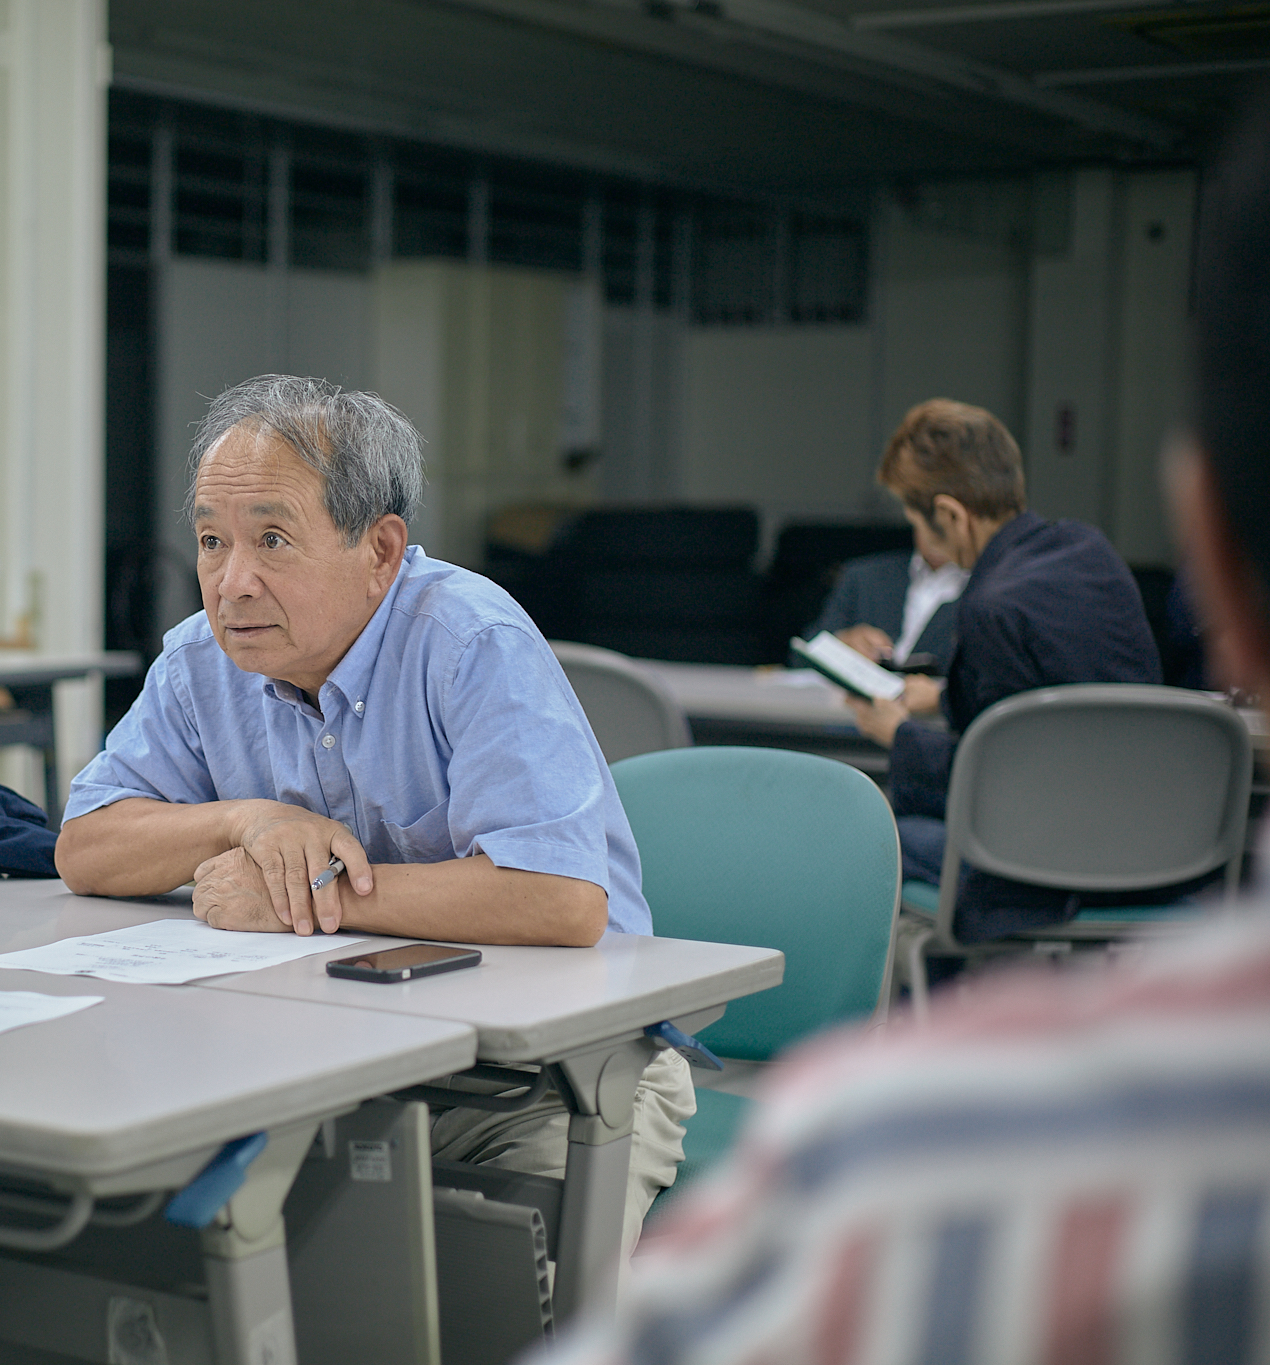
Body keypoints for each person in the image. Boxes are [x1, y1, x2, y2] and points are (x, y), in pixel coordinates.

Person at [538, 92, 1270, 1365]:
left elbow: (976, 756)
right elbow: (1031, 714)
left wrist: (894, 718)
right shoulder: (1084, 562)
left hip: (1013, 870)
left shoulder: (891, 1169)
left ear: (1208, 536)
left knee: (878, 825)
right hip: (1161, 865)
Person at [54, 374, 692, 1258]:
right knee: (160, 1254)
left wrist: (304, 893)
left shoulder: (470, 642)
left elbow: (560, 898)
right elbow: (86, 846)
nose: (230, 582)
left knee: (502, 1315)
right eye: (210, 540)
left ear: (381, 550)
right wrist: (249, 820)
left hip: (545, 1082)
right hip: (325, 1067)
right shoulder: (202, 660)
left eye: (271, 539)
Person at [845, 399, 1162, 941]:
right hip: (1156, 855)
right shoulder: (1090, 552)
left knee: (855, 830)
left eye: (915, 521)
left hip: (1040, 870)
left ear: (949, 514)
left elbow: (991, 782)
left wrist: (895, 732)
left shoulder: (990, 606)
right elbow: (1066, 710)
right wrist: (944, 697)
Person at [804, 524, 968, 671]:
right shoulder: (864, 577)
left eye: (951, 519)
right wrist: (841, 643)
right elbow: (803, 653)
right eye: (929, 517)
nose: (939, 530)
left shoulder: (986, 585)